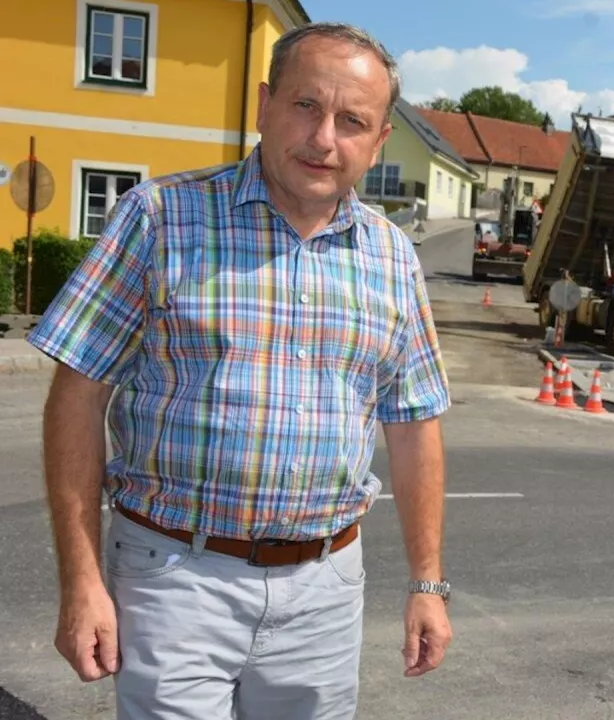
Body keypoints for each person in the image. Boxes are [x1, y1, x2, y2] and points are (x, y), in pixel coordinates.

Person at [28, 22, 452, 720]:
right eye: (305, 106)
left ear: (378, 144)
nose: (324, 139)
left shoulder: (393, 258)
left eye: (353, 121)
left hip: (326, 592)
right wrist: (82, 581)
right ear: (264, 104)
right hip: (174, 578)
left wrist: (427, 584)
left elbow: (413, 425)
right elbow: (78, 395)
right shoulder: (159, 218)